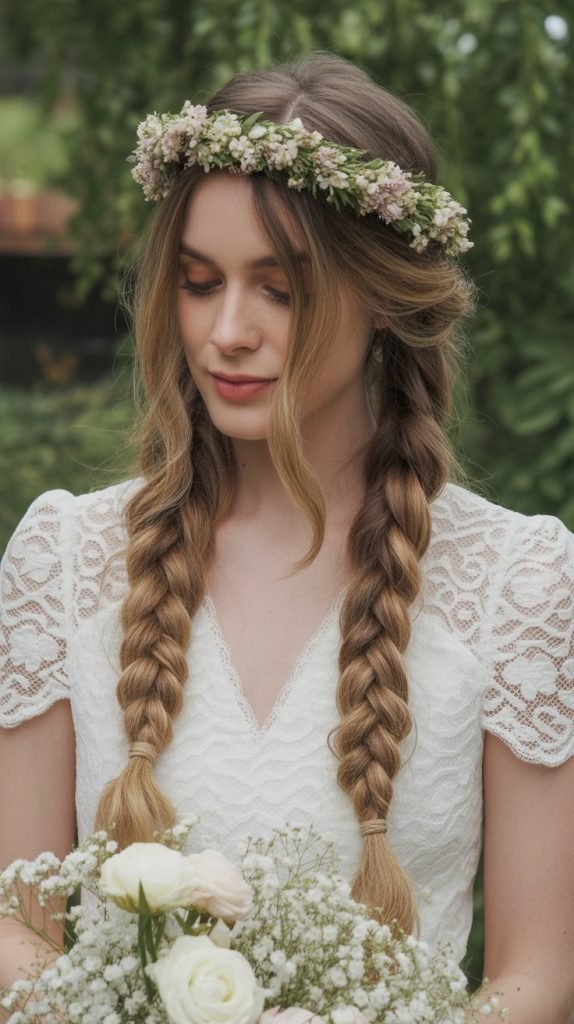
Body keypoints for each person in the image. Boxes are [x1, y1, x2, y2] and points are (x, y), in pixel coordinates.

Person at [1, 53, 573, 1022]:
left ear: (384, 297)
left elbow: (540, 974)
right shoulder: (65, 559)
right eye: (197, 280)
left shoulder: (517, 583)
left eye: (281, 287)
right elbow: (15, 923)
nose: (227, 330)